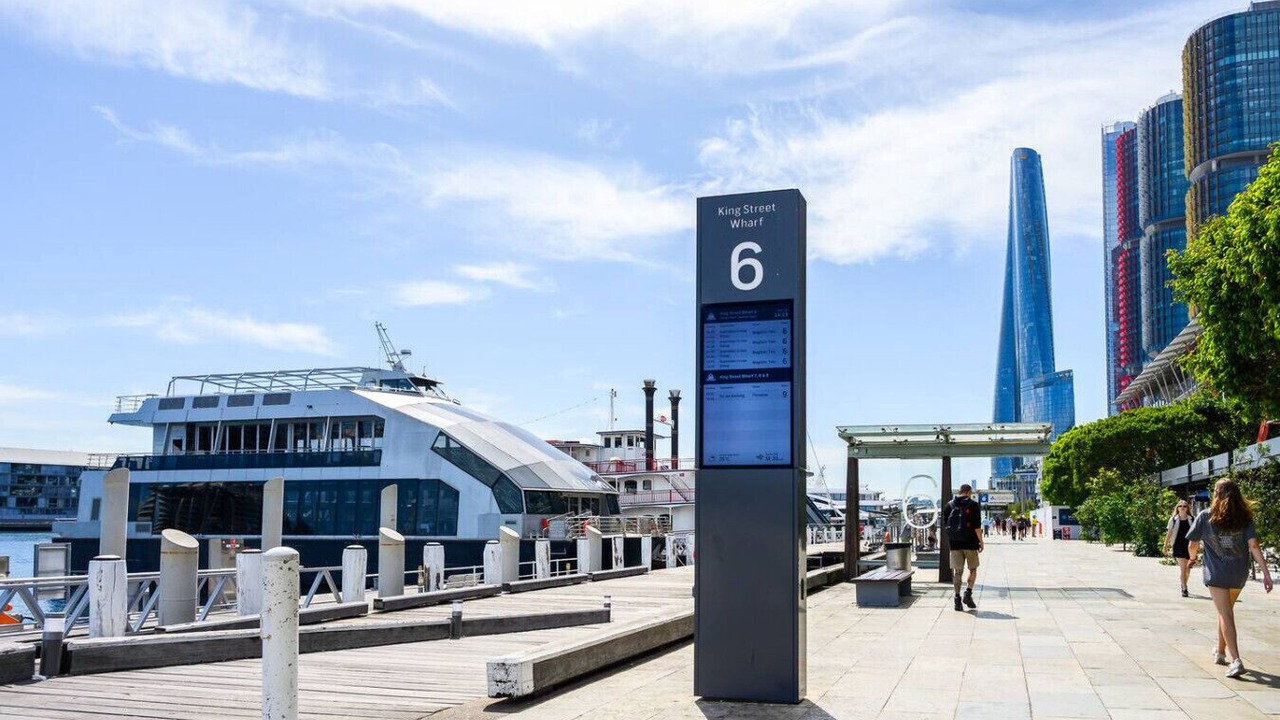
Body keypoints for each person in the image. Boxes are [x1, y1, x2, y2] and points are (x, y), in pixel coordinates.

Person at [1187, 478, 1274, 679]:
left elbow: (1193, 543)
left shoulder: (1205, 516)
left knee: (1225, 614)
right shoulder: (1245, 517)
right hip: (1238, 573)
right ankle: (1219, 651)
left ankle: (1236, 661)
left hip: (1217, 573)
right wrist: (1266, 574)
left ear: (1216, 494)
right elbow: (1254, 546)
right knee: (1225, 611)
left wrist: (1192, 558)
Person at [943, 483, 984, 611]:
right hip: (970, 543)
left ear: (959, 491)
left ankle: (957, 599)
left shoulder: (948, 506)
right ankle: (968, 593)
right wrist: (981, 541)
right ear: (968, 492)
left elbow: (946, 527)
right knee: (973, 569)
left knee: (957, 572)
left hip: (955, 544)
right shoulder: (973, 505)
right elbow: (977, 527)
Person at [1164, 499, 1195, 597]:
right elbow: (1169, 533)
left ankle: (1184, 583)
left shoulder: (1192, 519)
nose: (1182, 507)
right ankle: (1184, 588)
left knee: (1188, 569)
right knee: (1183, 569)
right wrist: (1165, 546)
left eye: (1184, 506)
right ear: (1177, 508)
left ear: (1187, 508)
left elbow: (1197, 533)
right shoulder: (1173, 519)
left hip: (1189, 546)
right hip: (1178, 545)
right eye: (1180, 506)